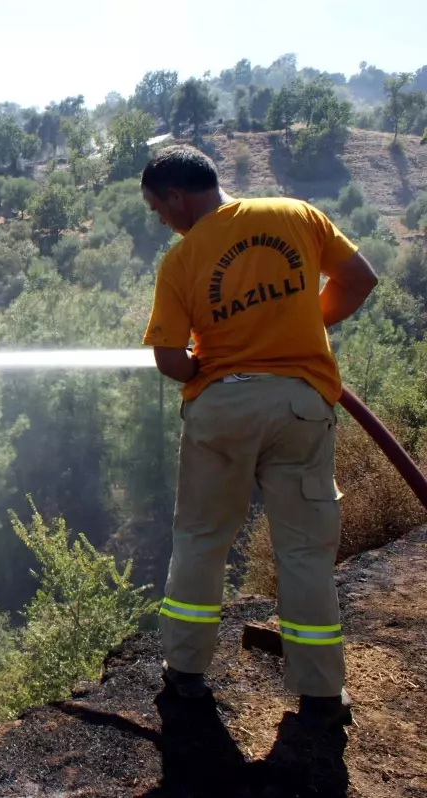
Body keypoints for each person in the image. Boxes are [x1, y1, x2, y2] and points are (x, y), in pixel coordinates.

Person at [139, 145, 378, 728]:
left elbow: (171, 360)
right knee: (304, 552)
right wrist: (301, 322)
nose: (160, 220)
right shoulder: (296, 216)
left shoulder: (180, 260)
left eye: (157, 208)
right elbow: (360, 279)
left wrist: (202, 367)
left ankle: (186, 675)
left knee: (201, 537)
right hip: (301, 403)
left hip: (222, 408)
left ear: (177, 195)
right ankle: (321, 694)